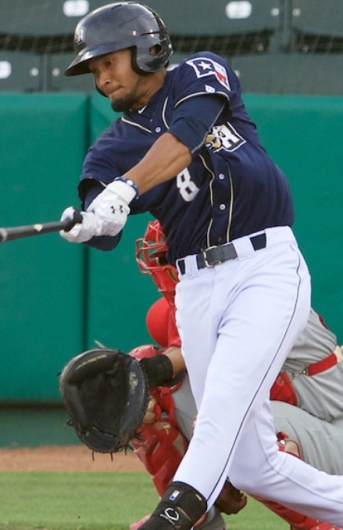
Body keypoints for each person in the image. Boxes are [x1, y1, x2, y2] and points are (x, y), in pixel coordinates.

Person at [57, 2, 343, 528]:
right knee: (253, 466)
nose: (102, 78)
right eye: (93, 71)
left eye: (108, 62)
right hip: (197, 288)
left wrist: (125, 188)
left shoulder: (201, 72)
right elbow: (104, 208)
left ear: (147, 48)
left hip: (264, 266)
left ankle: (174, 518)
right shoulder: (111, 146)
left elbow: (183, 139)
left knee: (221, 410)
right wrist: (93, 220)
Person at [130, 220, 343, 530]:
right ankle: (192, 516)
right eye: (162, 258)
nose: (165, 265)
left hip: (334, 431)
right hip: (297, 424)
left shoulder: (263, 289)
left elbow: (223, 351)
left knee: (235, 424)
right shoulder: (179, 311)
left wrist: (151, 368)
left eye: (169, 255)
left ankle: (322, 525)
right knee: (150, 397)